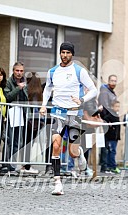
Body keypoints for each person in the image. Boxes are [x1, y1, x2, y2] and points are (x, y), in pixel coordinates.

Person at [40, 41, 97, 195]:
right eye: (62, 52)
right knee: (56, 146)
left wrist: (82, 100)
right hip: (57, 113)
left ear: (72, 54)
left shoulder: (79, 71)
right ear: (60, 53)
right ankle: (57, 183)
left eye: (68, 53)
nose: (65, 55)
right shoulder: (52, 71)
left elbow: (93, 90)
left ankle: (79, 153)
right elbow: (47, 89)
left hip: (74, 115)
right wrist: (44, 105)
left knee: (72, 152)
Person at [4, 61, 28, 171]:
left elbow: (27, 98)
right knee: (10, 139)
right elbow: (8, 97)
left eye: (21, 71)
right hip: (11, 113)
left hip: (20, 114)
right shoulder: (9, 82)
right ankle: (6, 164)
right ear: (13, 71)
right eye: (17, 70)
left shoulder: (24, 82)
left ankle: (13, 164)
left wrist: (23, 89)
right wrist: (18, 88)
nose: (19, 73)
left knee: (18, 141)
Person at [19, 72, 43, 174]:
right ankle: (27, 166)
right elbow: (36, 109)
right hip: (33, 122)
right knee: (29, 144)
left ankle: (25, 165)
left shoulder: (28, 90)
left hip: (27, 120)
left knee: (25, 143)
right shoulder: (37, 93)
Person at [98, 75, 117, 173]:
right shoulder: (105, 91)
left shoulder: (112, 92)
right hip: (105, 120)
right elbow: (105, 107)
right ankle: (104, 166)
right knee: (104, 144)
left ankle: (107, 165)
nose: (113, 82)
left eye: (115, 81)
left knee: (107, 144)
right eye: (112, 80)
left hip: (110, 120)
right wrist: (107, 120)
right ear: (108, 81)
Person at [101, 101, 121, 174]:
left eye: (118, 106)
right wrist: (109, 125)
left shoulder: (116, 114)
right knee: (111, 151)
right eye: (116, 106)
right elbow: (106, 119)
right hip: (111, 136)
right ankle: (112, 166)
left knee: (112, 151)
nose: (118, 108)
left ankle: (111, 165)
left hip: (115, 137)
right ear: (112, 107)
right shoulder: (111, 114)